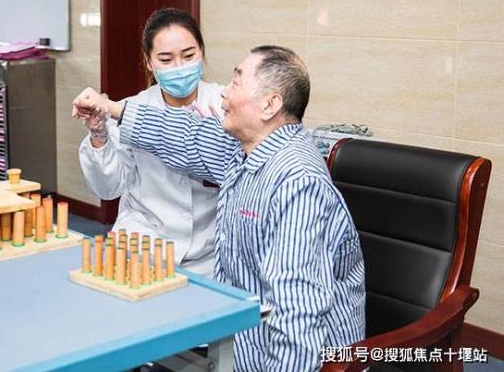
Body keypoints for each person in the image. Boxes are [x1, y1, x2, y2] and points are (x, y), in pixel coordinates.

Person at [72, 46, 365, 371]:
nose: (224, 92)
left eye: (236, 82)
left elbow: (297, 317)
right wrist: (112, 109)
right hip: (241, 345)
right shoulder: (244, 149)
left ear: (270, 105)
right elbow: (184, 134)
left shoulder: (297, 183)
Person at [78, 8, 222, 277]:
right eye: (166, 59)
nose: (179, 67)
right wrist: (99, 135)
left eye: (188, 55)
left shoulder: (223, 105)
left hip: (209, 254)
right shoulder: (132, 108)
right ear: (149, 62)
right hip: (143, 244)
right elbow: (107, 189)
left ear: (201, 52)